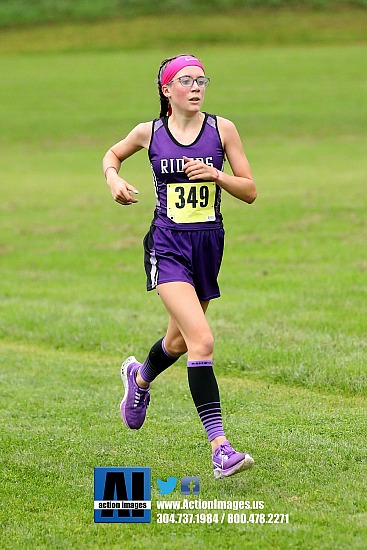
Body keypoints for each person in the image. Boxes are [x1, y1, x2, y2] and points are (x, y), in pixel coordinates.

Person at [102, 54, 257, 478]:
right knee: (202, 341)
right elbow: (111, 156)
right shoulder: (148, 132)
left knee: (179, 343)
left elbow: (250, 190)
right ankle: (220, 448)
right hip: (167, 247)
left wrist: (217, 176)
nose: (196, 87)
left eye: (201, 80)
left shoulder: (222, 130)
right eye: (186, 81)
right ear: (167, 90)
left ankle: (139, 379)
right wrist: (114, 179)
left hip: (208, 248)